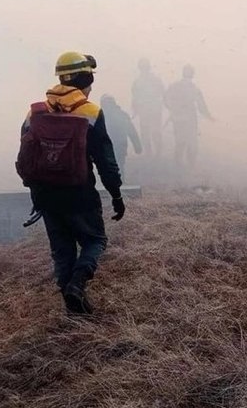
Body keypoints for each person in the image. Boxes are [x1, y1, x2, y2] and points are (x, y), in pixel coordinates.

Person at [16, 51, 124, 315]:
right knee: (95, 241)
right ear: (85, 78)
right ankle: (77, 285)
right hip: (79, 194)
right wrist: (116, 195)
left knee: (62, 252)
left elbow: (28, 156)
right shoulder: (90, 111)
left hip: (45, 195)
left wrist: (36, 193)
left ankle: (73, 310)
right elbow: (105, 160)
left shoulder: (35, 112)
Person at [164, 64, 214, 169]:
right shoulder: (194, 88)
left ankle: (179, 165)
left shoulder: (175, 86)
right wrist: (210, 117)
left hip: (178, 119)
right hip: (189, 120)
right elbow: (202, 107)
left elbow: (166, 100)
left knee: (180, 142)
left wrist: (173, 109)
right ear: (192, 74)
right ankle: (189, 166)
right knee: (191, 143)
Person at [101, 94, 142, 178]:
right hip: (120, 145)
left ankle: (111, 181)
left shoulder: (99, 116)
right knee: (119, 163)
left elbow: (94, 133)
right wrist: (137, 146)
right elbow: (132, 131)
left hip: (106, 145)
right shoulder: (122, 114)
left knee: (107, 164)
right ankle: (120, 180)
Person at [131, 58, 164, 157]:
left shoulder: (137, 82)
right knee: (155, 131)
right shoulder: (156, 79)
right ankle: (157, 153)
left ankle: (149, 153)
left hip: (145, 110)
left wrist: (135, 109)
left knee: (146, 132)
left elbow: (135, 97)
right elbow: (162, 93)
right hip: (154, 109)